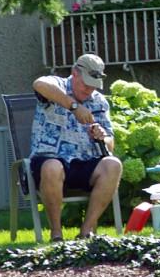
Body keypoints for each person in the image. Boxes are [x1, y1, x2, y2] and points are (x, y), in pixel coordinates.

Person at [30, 54, 123, 241]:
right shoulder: (57, 86)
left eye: (93, 86)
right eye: (86, 84)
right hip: (51, 159)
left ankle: (86, 232)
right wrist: (74, 106)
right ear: (74, 73)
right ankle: (56, 234)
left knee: (113, 164)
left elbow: (110, 142)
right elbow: (39, 84)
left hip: (86, 163)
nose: (89, 90)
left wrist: (101, 137)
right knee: (52, 167)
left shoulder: (99, 101)